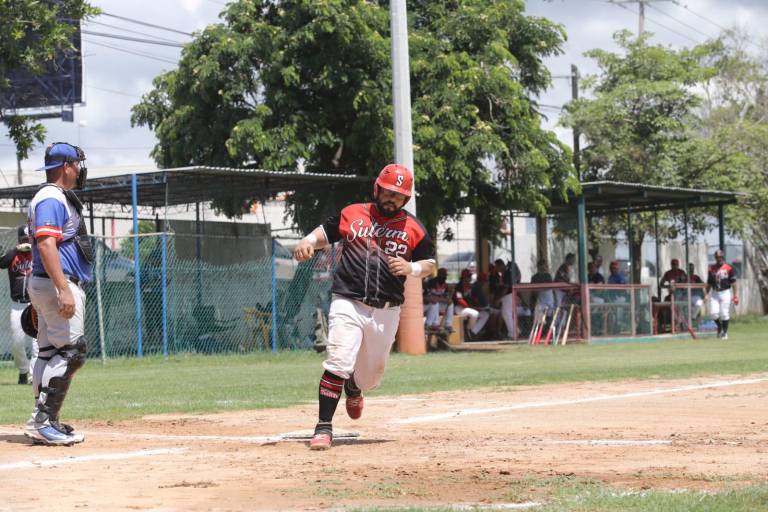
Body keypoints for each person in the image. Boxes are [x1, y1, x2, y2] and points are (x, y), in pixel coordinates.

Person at [293, 164, 435, 450]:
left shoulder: (413, 228)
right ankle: (323, 427)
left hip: (387, 309)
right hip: (349, 300)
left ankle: (355, 386)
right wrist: (307, 241)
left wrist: (411, 268)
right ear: (377, 189)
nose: (392, 198)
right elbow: (324, 233)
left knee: (371, 376)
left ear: (406, 199)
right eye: (388, 192)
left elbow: (430, 264)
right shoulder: (353, 213)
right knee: (339, 361)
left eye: (398, 195)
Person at [24, 142, 92, 446]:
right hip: (56, 284)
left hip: (46, 283)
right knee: (72, 352)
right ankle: (42, 421)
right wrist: (63, 289)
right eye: (76, 164)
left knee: (49, 352)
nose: (79, 170)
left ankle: (44, 420)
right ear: (66, 166)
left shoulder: (52, 196)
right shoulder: (51, 197)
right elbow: (45, 244)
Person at [0, 226, 37, 384]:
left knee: (37, 342)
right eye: (23, 239)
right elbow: (1, 263)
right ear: (19, 240)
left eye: (28, 239)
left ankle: (34, 375)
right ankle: (23, 369)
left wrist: (33, 248)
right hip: (17, 305)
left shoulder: (37, 253)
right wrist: (16, 249)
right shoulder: (13, 255)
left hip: (35, 303)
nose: (26, 242)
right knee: (17, 342)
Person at [707, 249, 738, 340]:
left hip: (725, 292)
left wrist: (735, 296)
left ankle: (724, 332)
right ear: (715, 258)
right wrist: (706, 294)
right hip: (715, 293)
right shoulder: (711, 268)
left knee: (724, 313)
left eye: (720, 257)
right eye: (717, 257)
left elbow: (734, 283)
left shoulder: (729, 268)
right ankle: (720, 327)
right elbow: (709, 283)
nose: (719, 258)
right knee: (713, 313)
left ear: (723, 257)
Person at [453, 268, 487, 340]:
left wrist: (476, 306)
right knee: (474, 313)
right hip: (459, 308)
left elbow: (472, 299)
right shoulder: (459, 287)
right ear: (464, 277)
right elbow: (459, 300)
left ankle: (473, 332)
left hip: (468, 308)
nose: (470, 278)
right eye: (468, 276)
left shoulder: (469, 286)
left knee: (485, 314)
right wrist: (471, 307)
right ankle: (468, 330)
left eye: (470, 276)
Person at [423, 267, 454, 332]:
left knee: (450, 304)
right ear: (439, 274)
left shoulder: (445, 284)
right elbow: (430, 298)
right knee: (435, 303)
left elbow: (447, 298)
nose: (445, 277)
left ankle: (448, 325)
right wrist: (442, 299)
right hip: (429, 305)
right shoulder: (431, 282)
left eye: (445, 275)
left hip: (438, 304)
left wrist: (450, 295)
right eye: (443, 275)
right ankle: (433, 324)